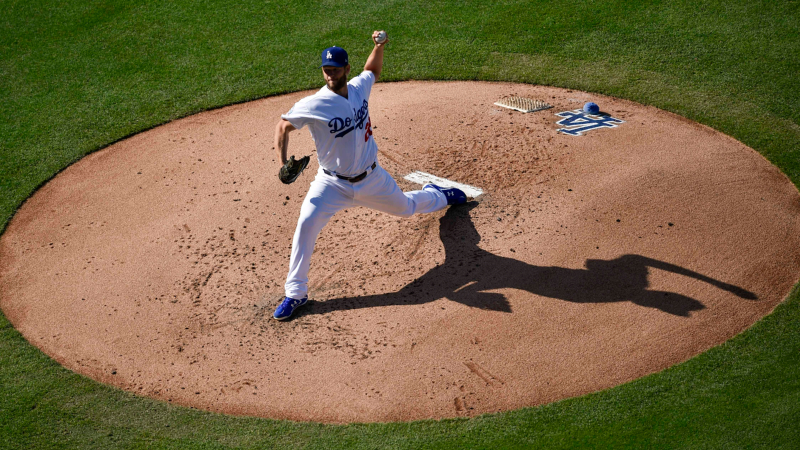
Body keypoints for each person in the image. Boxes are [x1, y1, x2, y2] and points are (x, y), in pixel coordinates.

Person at [272, 30, 467, 320]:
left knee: (406, 207)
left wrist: (378, 46)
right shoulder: (314, 103)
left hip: (371, 179)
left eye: (335, 69)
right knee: (306, 224)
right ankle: (295, 294)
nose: (330, 75)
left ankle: (437, 194)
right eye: (326, 70)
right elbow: (282, 126)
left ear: (346, 69)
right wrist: (283, 161)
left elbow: (372, 70)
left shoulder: (358, 86)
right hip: (331, 184)